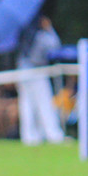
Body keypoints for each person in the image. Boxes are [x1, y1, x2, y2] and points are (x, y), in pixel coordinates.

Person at [16, 16, 65, 146]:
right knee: (44, 103)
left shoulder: (22, 33)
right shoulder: (40, 35)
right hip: (37, 71)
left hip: (23, 70)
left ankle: (29, 136)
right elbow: (55, 45)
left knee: (27, 104)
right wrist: (49, 28)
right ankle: (53, 134)